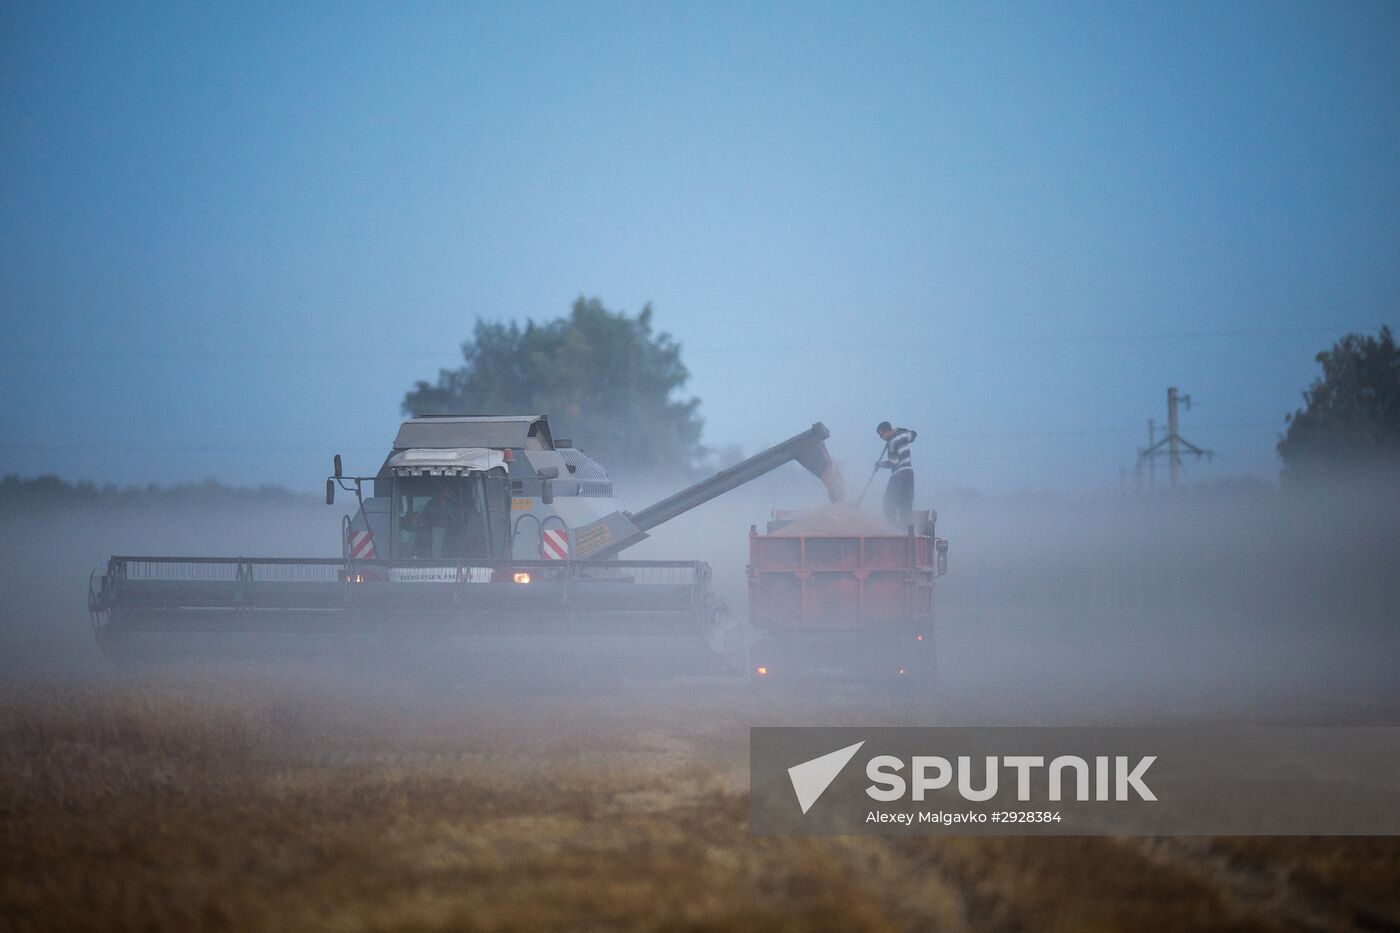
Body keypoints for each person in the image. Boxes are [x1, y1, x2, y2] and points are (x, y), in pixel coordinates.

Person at [876, 421, 917, 528]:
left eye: (881, 434)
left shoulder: (891, 442)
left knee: (888, 502)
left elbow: (893, 462)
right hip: (909, 474)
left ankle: (894, 527)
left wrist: (880, 464)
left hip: (898, 475)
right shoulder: (904, 435)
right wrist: (899, 429)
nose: (881, 438)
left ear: (886, 431)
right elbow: (913, 434)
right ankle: (907, 530)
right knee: (906, 505)